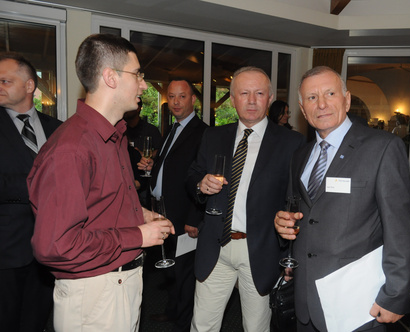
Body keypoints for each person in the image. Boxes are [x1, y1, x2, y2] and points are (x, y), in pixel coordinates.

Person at [27, 33, 175, 332]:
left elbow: (100, 205)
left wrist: (139, 215)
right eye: (138, 75)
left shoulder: (114, 135)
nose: (144, 85)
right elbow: (55, 246)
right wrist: (137, 235)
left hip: (118, 284)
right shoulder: (72, 149)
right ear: (110, 77)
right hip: (95, 294)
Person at [274, 66, 410, 332]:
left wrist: (396, 295)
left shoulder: (382, 148)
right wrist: (283, 225)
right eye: (312, 98)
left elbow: (400, 229)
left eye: (330, 93)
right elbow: (300, 213)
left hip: (357, 301)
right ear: (303, 110)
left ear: (347, 99)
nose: (322, 104)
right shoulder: (300, 156)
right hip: (305, 297)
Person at [187, 66, 305, 332]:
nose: (252, 100)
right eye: (244, 93)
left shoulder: (291, 143)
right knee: (202, 325)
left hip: (261, 249)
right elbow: (193, 174)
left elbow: (295, 202)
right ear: (232, 98)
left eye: (259, 93)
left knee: (256, 327)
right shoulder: (213, 136)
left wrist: (289, 257)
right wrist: (200, 184)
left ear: (270, 97)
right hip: (215, 246)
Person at [0, 52, 62, 332]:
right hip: (7, 249)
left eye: (5, 80)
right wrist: (39, 183)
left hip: (51, 247)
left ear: (29, 86)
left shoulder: (58, 129)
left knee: (38, 320)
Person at [143, 79, 208, 332]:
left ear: (193, 99)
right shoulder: (172, 128)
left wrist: (195, 215)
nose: (176, 102)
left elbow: (203, 175)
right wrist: (154, 167)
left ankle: (183, 321)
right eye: (172, 97)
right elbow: (171, 164)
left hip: (184, 213)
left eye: (182, 96)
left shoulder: (203, 132)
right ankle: (172, 311)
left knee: (184, 271)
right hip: (162, 210)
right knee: (168, 264)